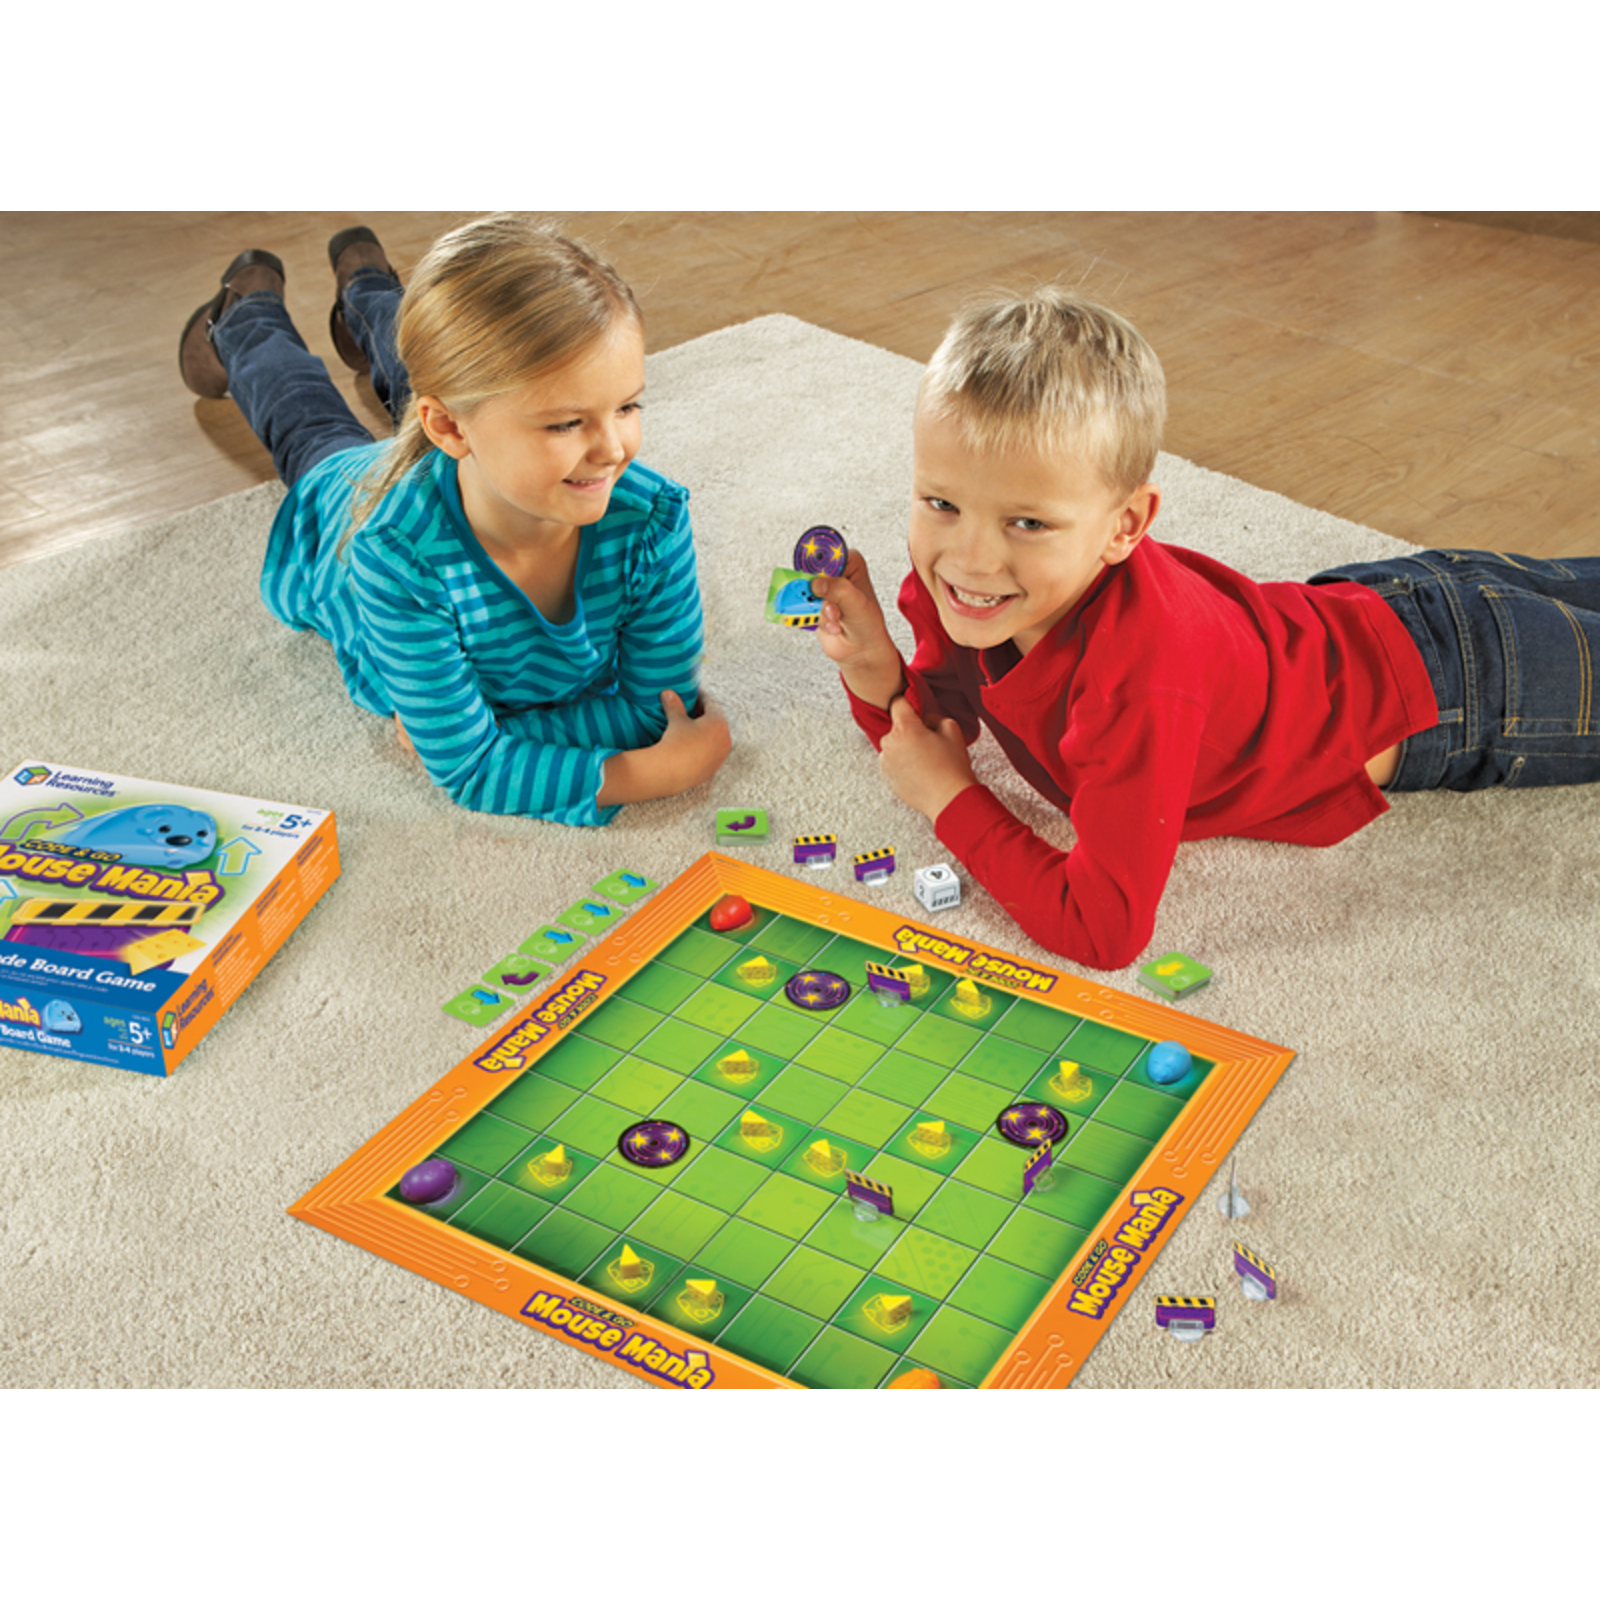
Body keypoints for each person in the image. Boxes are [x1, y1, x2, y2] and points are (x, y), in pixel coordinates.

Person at [811, 287, 1600, 970]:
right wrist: (872, 667)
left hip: (1468, 690)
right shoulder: (966, 585)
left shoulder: (1137, 678)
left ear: (1125, 526)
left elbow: (1103, 928)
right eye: (941, 503)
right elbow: (934, 729)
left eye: (1028, 522)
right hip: (1388, 598)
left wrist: (951, 799)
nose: (970, 555)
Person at [178, 214, 730, 825]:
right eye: (566, 423)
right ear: (446, 428)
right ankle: (246, 315)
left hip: (467, 452)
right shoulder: (396, 555)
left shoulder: (652, 520)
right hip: (345, 500)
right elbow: (472, 769)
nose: (613, 450)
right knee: (310, 425)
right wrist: (656, 773)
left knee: (434, 367)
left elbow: (655, 712)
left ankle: (366, 281)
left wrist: (490, 736)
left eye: (627, 406)